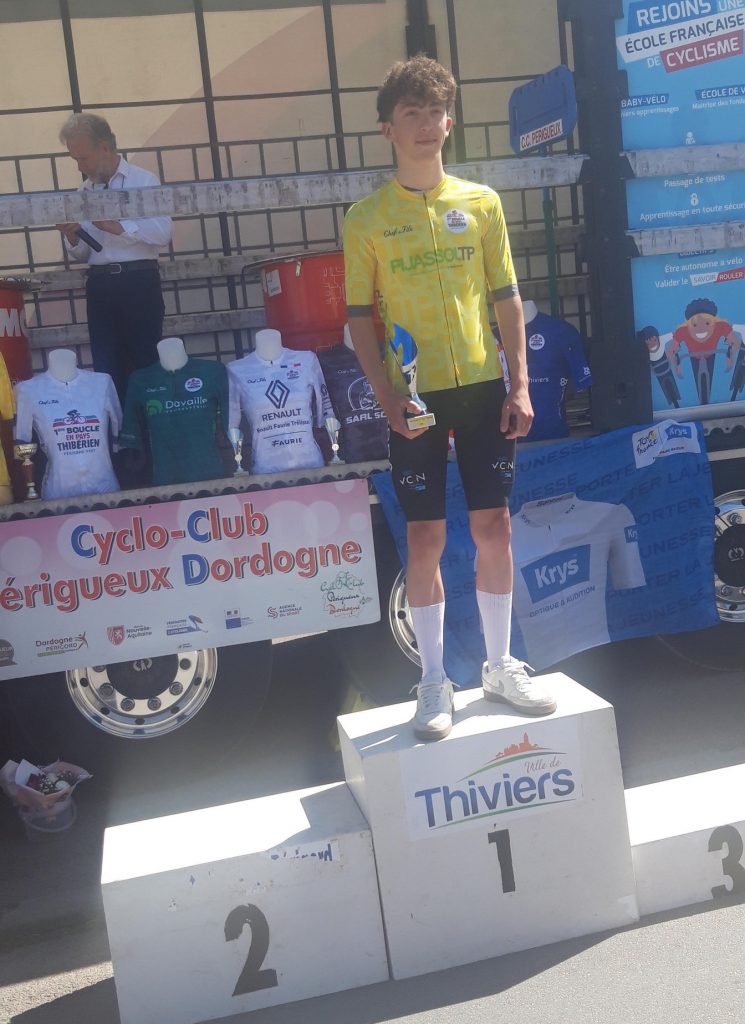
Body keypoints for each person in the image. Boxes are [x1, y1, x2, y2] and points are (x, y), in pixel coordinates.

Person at [343, 55, 556, 741]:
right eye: (412, 113)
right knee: (426, 536)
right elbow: (358, 318)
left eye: (435, 112)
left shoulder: (481, 202)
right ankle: (434, 680)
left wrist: (518, 383)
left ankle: (499, 666)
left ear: (449, 121)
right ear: (387, 128)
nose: (426, 125)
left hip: (482, 386)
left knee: (495, 527)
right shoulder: (366, 218)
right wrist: (384, 398)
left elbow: (506, 298)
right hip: (415, 398)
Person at [56, 113, 172, 401]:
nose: (80, 166)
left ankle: (149, 424)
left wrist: (117, 226)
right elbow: (86, 252)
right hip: (100, 284)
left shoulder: (143, 180)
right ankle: (118, 427)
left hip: (139, 280)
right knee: (106, 364)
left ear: (105, 147)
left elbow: (163, 233)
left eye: (83, 158)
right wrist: (73, 236)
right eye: (75, 160)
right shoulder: (83, 191)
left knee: (146, 358)